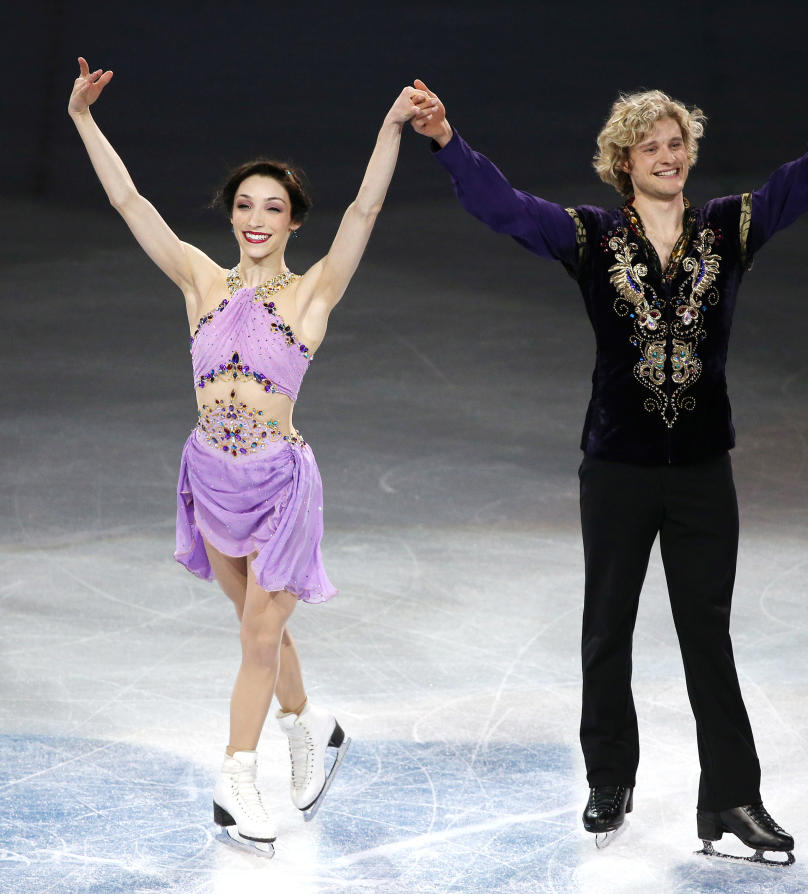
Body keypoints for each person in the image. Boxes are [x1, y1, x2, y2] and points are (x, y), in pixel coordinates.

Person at [411, 14, 808, 864]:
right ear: (624, 162)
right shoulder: (591, 236)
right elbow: (502, 208)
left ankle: (729, 799)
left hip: (699, 472)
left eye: (678, 142)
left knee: (708, 635)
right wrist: (446, 141)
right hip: (615, 467)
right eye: (651, 146)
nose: (669, 155)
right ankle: (609, 777)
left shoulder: (730, 229)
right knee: (607, 625)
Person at [68, 58, 438, 858]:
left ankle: (237, 777)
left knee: (261, 638)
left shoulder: (314, 293)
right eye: (245, 205)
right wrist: (83, 120)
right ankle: (312, 727)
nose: (256, 218)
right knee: (256, 629)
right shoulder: (199, 280)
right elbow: (129, 202)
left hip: (278, 485)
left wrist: (389, 128)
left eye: (273, 207)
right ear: (232, 217)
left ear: (294, 221)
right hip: (209, 477)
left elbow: (367, 207)